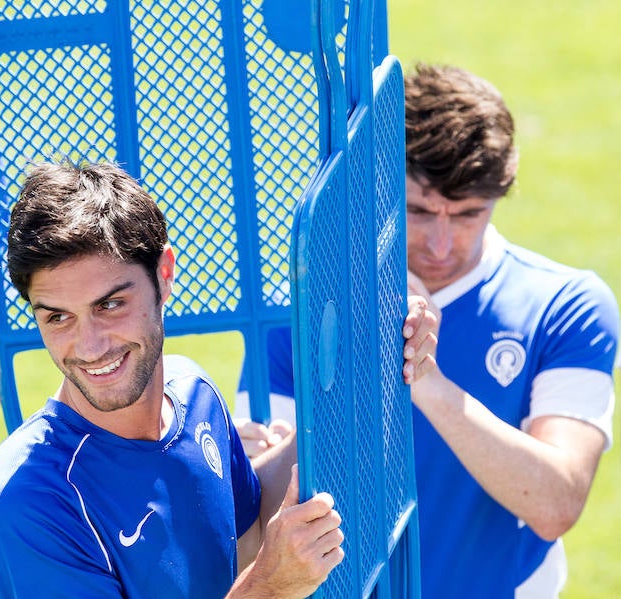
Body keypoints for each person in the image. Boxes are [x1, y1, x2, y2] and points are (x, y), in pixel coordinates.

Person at [0, 160, 429, 598]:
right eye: (58, 317)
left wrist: (380, 355)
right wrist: (269, 587)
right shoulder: (18, 507)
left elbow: (247, 530)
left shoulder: (192, 391)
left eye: (110, 305)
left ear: (164, 275)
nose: (90, 346)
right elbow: (262, 570)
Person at [234, 63, 620, 597]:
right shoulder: (305, 308)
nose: (441, 245)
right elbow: (255, 530)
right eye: (418, 211)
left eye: (466, 215)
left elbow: (555, 503)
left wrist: (428, 381)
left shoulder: (569, 305)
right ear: (380, 190)